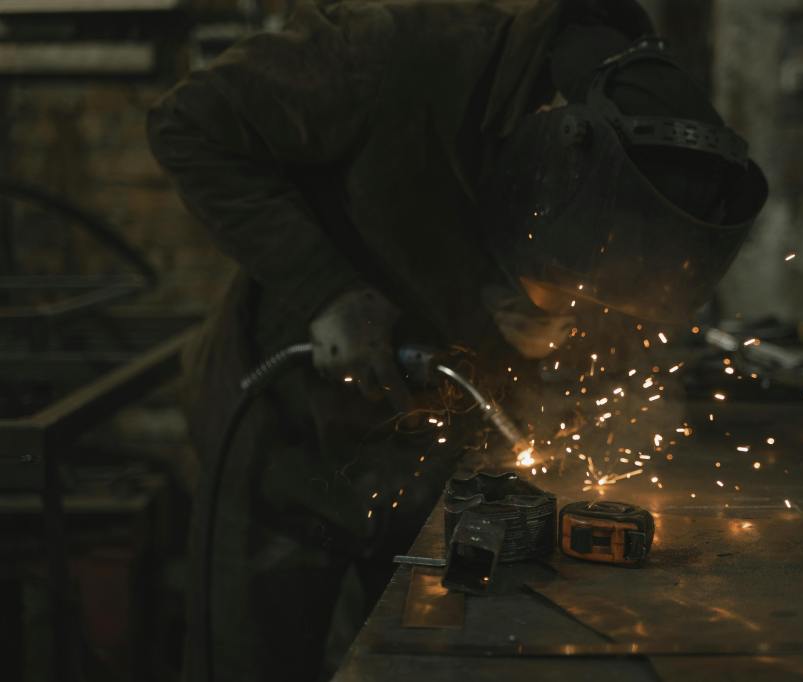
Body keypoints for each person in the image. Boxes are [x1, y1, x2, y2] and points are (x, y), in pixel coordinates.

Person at [147, 1, 767, 680]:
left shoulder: (638, 129)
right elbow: (186, 122)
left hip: (433, 469)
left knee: (412, 664)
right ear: (550, 144)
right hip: (283, 437)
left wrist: (558, 340)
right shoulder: (394, 54)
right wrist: (327, 290)